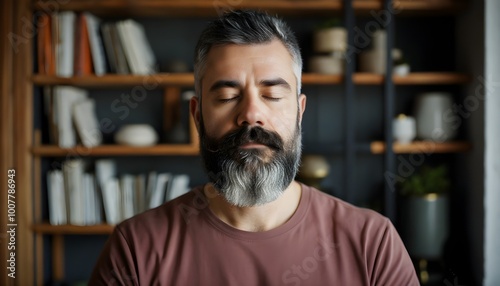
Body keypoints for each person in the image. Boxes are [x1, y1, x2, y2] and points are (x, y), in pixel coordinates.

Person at [90, 10, 419, 285]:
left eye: (273, 95)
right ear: (197, 115)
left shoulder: (373, 244)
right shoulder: (135, 250)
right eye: (226, 97)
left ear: (300, 112)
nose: (250, 114)